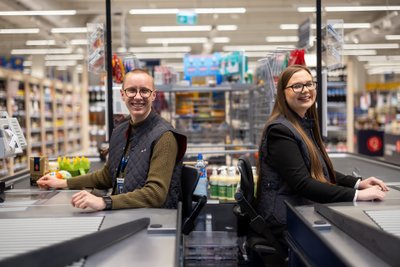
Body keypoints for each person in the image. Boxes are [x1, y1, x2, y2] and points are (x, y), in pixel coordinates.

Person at [255, 64, 388, 263]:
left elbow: (319, 169)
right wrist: (358, 195)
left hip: (295, 210)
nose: (306, 90)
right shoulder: (280, 131)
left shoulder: (300, 124)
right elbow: (303, 184)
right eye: (297, 86)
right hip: (283, 219)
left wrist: (357, 183)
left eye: (309, 84)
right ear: (283, 93)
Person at [37, 69, 187, 211]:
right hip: (126, 212)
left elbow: (156, 194)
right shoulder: (121, 130)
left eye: (144, 91)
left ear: (153, 95)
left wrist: (105, 201)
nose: (138, 96)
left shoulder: (165, 136)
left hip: (154, 221)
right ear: (122, 94)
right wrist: (64, 183)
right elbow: (108, 176)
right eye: (132, 90)